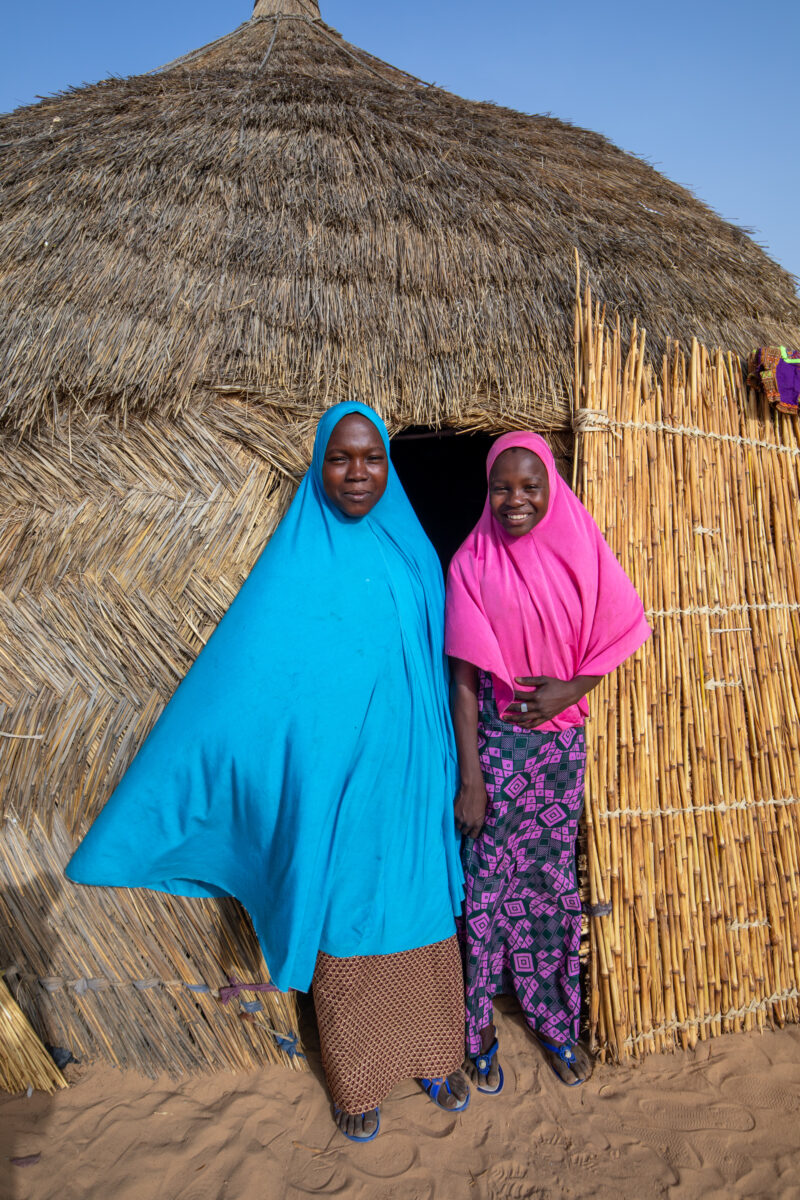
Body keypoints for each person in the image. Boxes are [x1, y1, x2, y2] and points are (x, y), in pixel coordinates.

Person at [67, 402, 468, 1141]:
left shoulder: (413, 553)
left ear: (389, 464)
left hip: (409, 783)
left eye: (371, 458)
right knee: (348, 925)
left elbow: (437, 666)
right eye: (341, 458)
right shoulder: (297, 561)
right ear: (320, 463)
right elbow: (251, 679)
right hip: (338, 793)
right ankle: (358, 1082)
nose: (356, 472)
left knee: (422, 913)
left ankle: (437, 1056)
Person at [445, 432, 651, 1091]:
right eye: (501, 487)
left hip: (563, 746)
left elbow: (620, 623)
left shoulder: (581, 546)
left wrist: (573, 688)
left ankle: (552, 1018)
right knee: (488, 885)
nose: (515, 500)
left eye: (529, 486)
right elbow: (465, 680)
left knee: (549, 883)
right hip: (499, 747)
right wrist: (472, 778)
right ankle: (477, 1024)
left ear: (551, 486)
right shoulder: (472, 563)